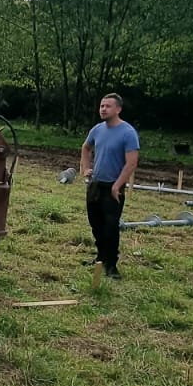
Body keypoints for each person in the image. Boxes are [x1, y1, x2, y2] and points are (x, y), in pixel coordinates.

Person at [80, 93, 139, 279]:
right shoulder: (97, 130)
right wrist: (86, 168)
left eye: (107, 106)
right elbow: (85, 148)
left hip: (113, 188)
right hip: (95, 185)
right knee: (95, 224)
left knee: (111, 226)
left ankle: (111, 265)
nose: (103, 109)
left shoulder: (128, 133)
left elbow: (132, 163)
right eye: (101, 106)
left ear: (118, 109)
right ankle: (101, 257)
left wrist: (117, 186)